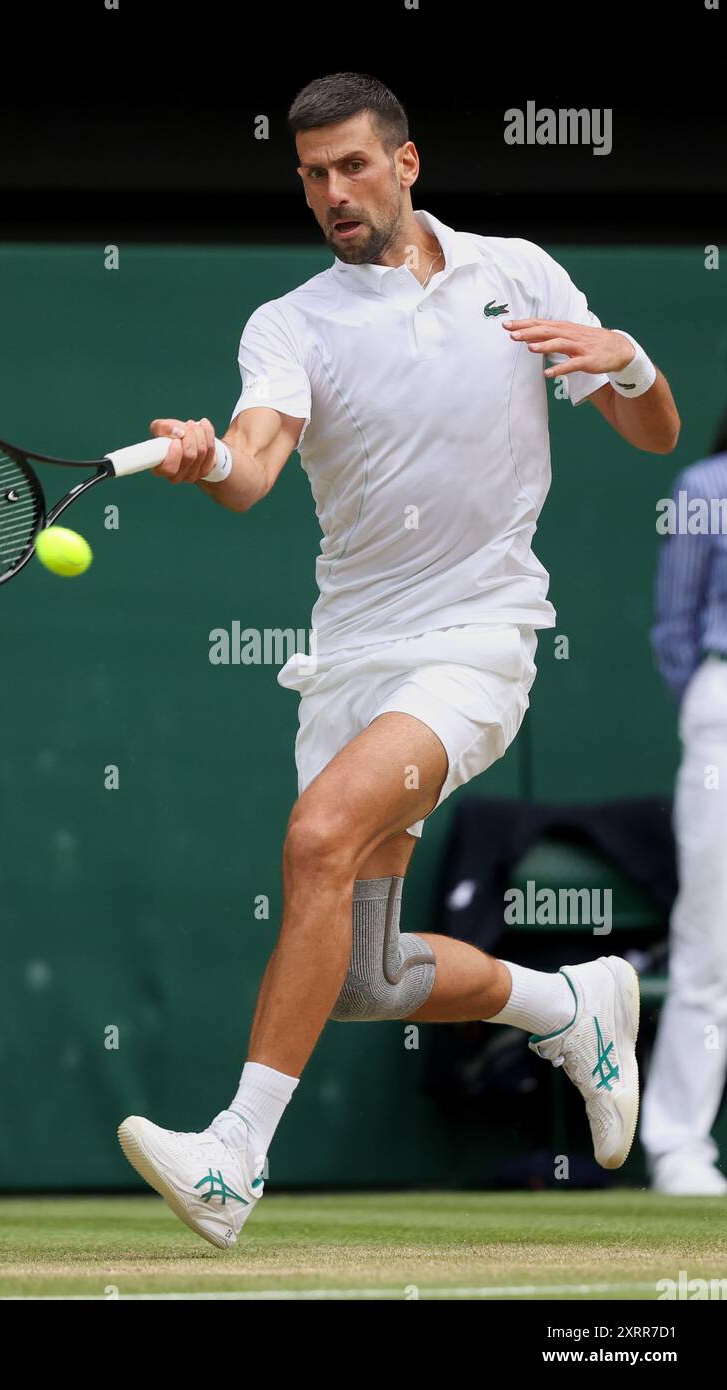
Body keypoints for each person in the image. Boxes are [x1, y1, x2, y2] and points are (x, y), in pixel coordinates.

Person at [118, 72, 681, 1246]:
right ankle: (570, 1001)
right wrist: (203, 456)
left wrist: (625, 359)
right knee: (367, 976)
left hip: (475, 644)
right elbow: (255, 467)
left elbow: (651, 429)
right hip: (352, 663)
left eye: (352, 166)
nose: (332, 192)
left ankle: (232, 1160)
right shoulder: (291, 323)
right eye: (312, 174)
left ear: (406, 162)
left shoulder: (516, 273)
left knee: (318, 835)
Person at [641, 405, 727, 1196]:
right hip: (721, 704)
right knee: (710, 934)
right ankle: (678, 1146)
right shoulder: (705, 486)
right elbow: (675, 627)